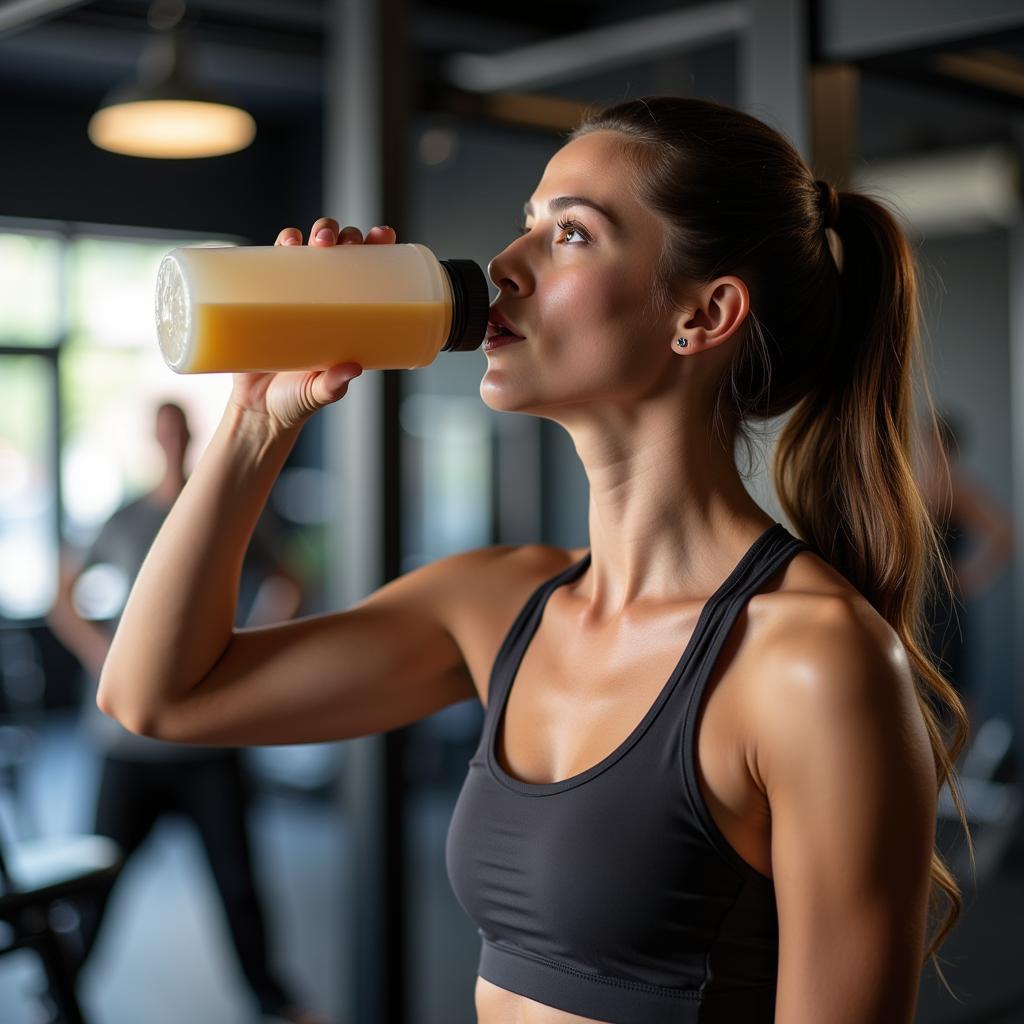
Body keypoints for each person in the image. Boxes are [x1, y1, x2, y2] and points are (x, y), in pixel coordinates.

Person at [96, 96, 971, 1024]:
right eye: (525, 227)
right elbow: (159, 697)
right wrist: (254, 419)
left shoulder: (810, 661)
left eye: (570, 235)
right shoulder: (496, 601)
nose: (502, 269)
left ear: (704, 313)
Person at [46, 401, 331, 1024]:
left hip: (208, 741)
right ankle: (59, 996)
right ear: (154, 438)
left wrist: (252, 649)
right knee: (97, 883)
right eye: (163, 429)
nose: (172, 438)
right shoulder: (121, 520)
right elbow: (62, 598)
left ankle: (272, 1001)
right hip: (128, 745)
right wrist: (104, 655)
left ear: (190, 434)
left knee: (238, 885)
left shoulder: (226, 510)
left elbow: (293, 576)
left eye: (180, 428)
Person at [918, 409, 1014, 742]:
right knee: (920, 688)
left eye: (934, 445)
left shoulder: (959, 491)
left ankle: (962, 781)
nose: (929, 451)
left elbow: (1005, 534)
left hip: (948, 607)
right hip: (918, 604)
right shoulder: (916, 487)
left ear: (947, 447)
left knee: (956, 691)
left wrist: (971, 576)